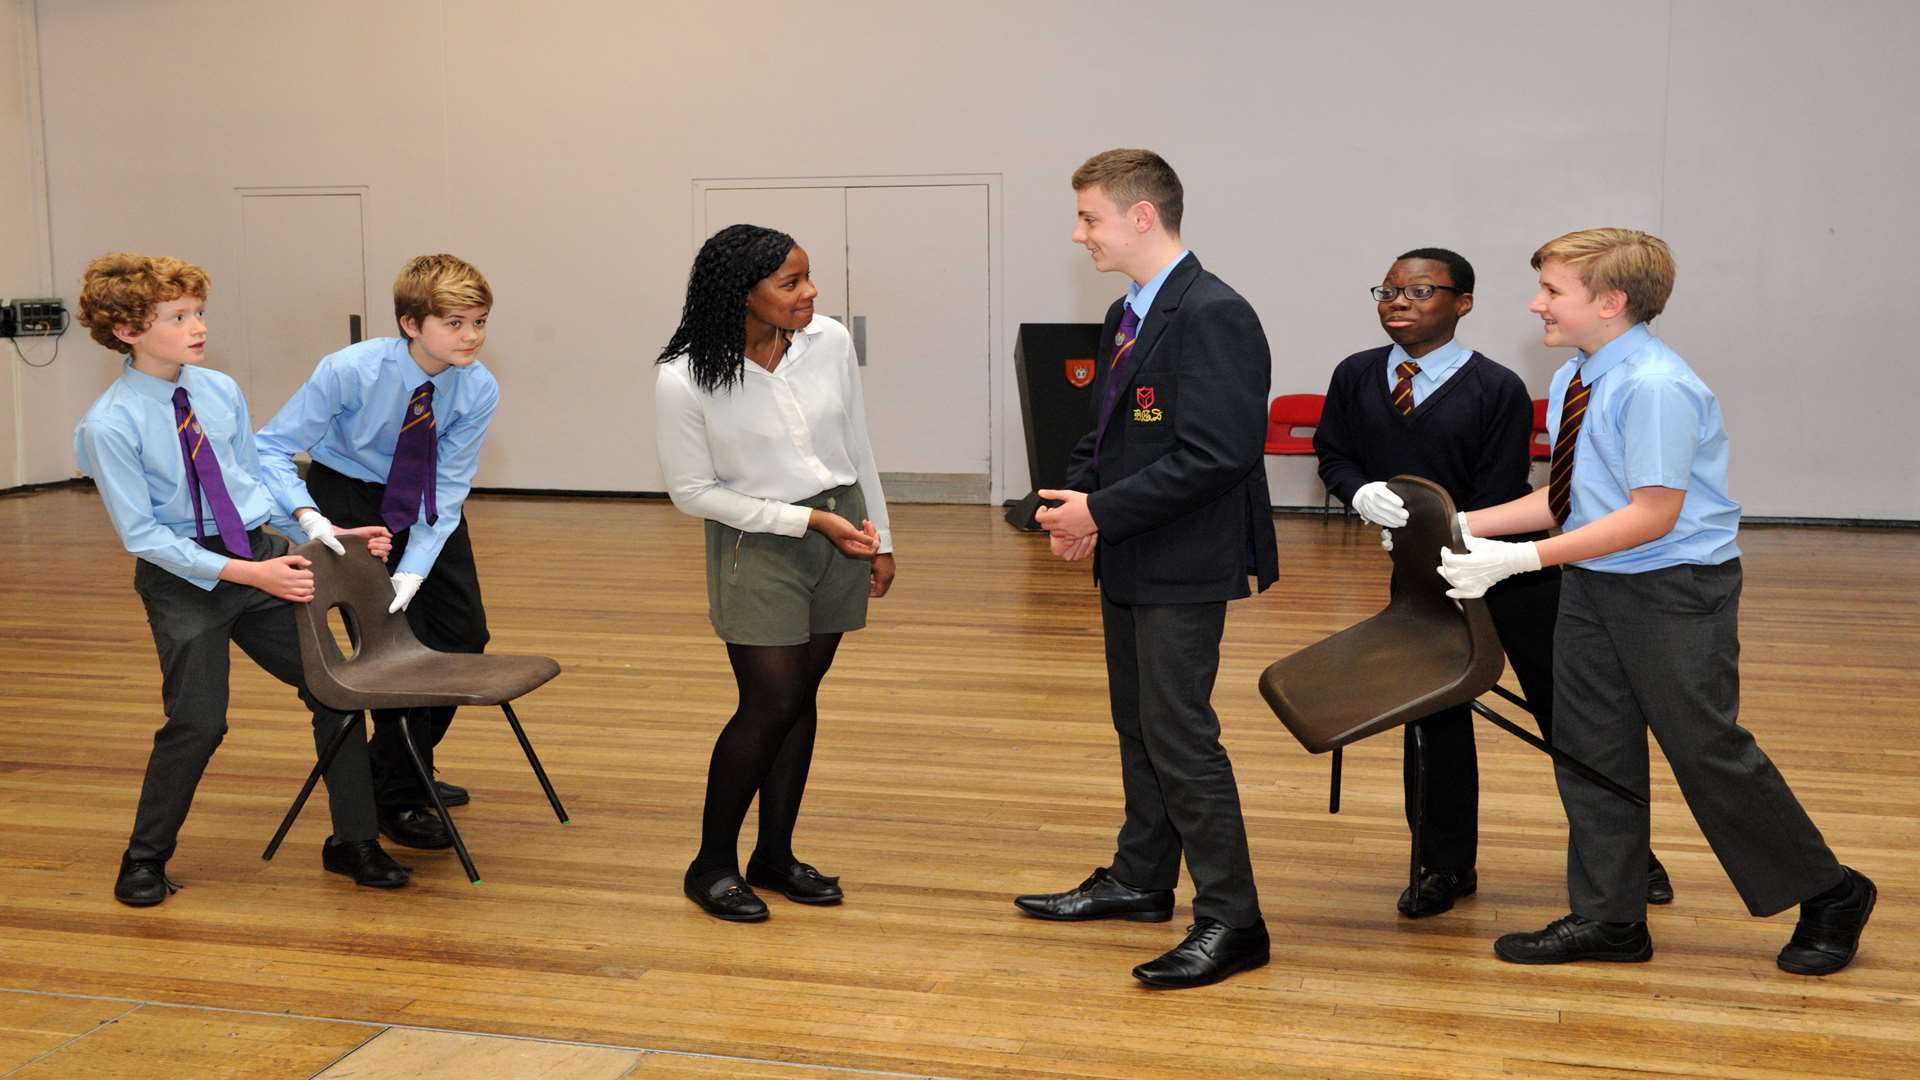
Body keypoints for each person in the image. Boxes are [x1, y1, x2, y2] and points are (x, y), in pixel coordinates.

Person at [1437, 228, 1873, 975]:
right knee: (1588, 749)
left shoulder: (1655, 387)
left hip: (1672, 591)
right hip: (1594, 585)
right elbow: (1571, 497)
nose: (1535, 302)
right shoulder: (1579, 377)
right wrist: (1455, 524)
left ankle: (1830, 891)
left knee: (1706, 753)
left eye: (1551, 291)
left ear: (1609, 302)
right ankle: (1610, 917)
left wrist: (1523, 559)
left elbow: (1651, 514)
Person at [1315, 247, 1670, 917]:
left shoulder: (1496, 387)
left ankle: (1629, 855)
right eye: (1387, 291)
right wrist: (1356, 489)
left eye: (1419, 291)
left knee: (1568, 715)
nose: (1397, 302)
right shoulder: (1356, 375)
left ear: (1462, 303)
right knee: (1430, 712)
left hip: (1509, 571)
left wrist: (1466, 544)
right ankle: (1443, 865)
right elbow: (1334, 452)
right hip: (1423, 573)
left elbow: (1504, 491)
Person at [1017, 149, 1279, 989]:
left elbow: (1218, 453)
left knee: (1181, 736)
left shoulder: (1213, 313)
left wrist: (1106, 511)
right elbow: (1112, 432)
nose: (1078, 233)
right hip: (1134, 547)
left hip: (1186, 556)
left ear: (1141, 216)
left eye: (1089, 217)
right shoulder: (1128, 312)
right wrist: (1078, 505)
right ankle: (1140, 879)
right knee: (1140, 724)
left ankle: (1234, 920)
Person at [72, 252, 408, 905]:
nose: (197, 326)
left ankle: (353, 841)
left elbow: (252, 487)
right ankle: (144, 859)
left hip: (261, 557)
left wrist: (324, 534)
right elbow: (144, 536)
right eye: (176, 317)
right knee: (198, 722)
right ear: (126, 330)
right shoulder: (109, 424)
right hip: (185, 579)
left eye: (197, 312)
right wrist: (250, 574)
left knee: (337, 693)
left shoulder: (218, 390)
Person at [655, 223, 897, 922]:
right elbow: (691, 493)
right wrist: (806, 523)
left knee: (800, 697)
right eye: (790, 282)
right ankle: (711, 863)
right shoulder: (684, 377)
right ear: (742, 293)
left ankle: (774, 855)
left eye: (807, 276)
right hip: (758, 540)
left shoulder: (830, 343)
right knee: (769, 704)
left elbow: (858, 441)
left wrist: (883, 538)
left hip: (842, 529)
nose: (811, 292)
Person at [256, 254, 499, 853]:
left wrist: (416, 566)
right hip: (346, 495)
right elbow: (272, 447)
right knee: (390, 648)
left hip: (424, 503)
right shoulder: (350, 371)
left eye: (480, 322)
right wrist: (308, 516)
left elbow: (447, 488)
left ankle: (391, 767)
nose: (471, 337)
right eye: (456, 323)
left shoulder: (479, 386)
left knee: (463, 637)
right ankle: (399, 790)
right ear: (411, 323)